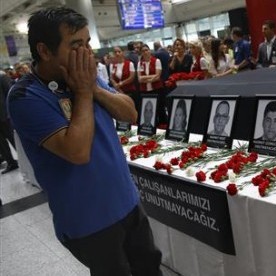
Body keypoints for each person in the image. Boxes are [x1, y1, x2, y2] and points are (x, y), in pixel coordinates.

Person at [7, 7, 163, 275]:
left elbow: (130, 113)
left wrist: (92, 88)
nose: (87, 53)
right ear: (44, 51)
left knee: (150, 269)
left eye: (88, 43)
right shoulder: (24, 96)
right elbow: (78, 152)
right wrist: (83, 91)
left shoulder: (86, 77)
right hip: (89, 220)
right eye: (76, 45)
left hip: (127, 201)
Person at [0, 72, 18, 174]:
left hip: (4, 116)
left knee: (13, 138)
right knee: (1, 144)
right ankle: (11, 162)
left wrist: (10, 112)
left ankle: (26, 161)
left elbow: (10, 93)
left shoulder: (2, 76)